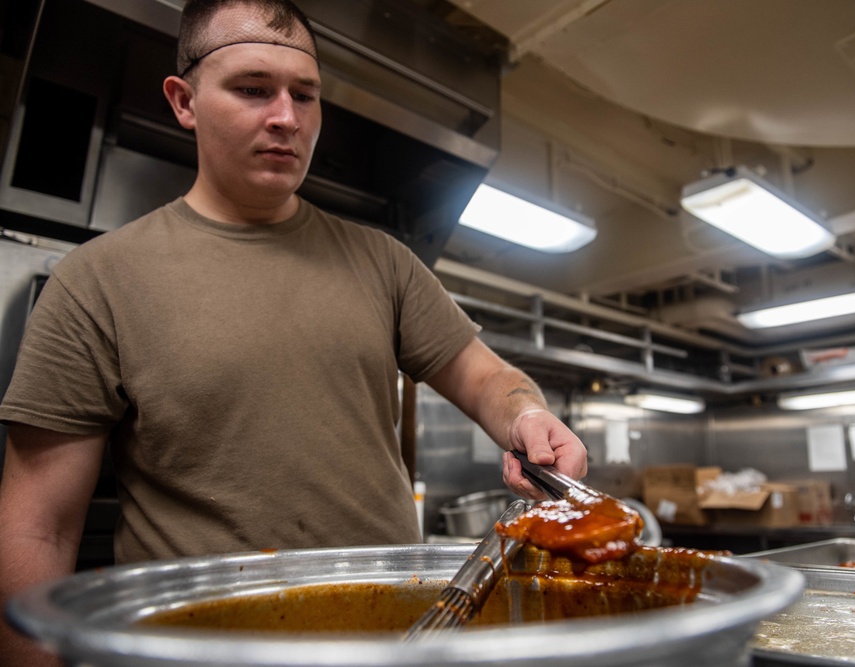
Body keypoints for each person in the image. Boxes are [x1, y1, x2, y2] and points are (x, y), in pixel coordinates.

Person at [0, 0, 588, 663]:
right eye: (253, 89)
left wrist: (528, 416)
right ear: (184, 100)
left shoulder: (382, 261)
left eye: (304, 95)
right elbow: (38, 531)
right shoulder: (98, 281)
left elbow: (485, 376)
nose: (287, 117)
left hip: (398, 643)